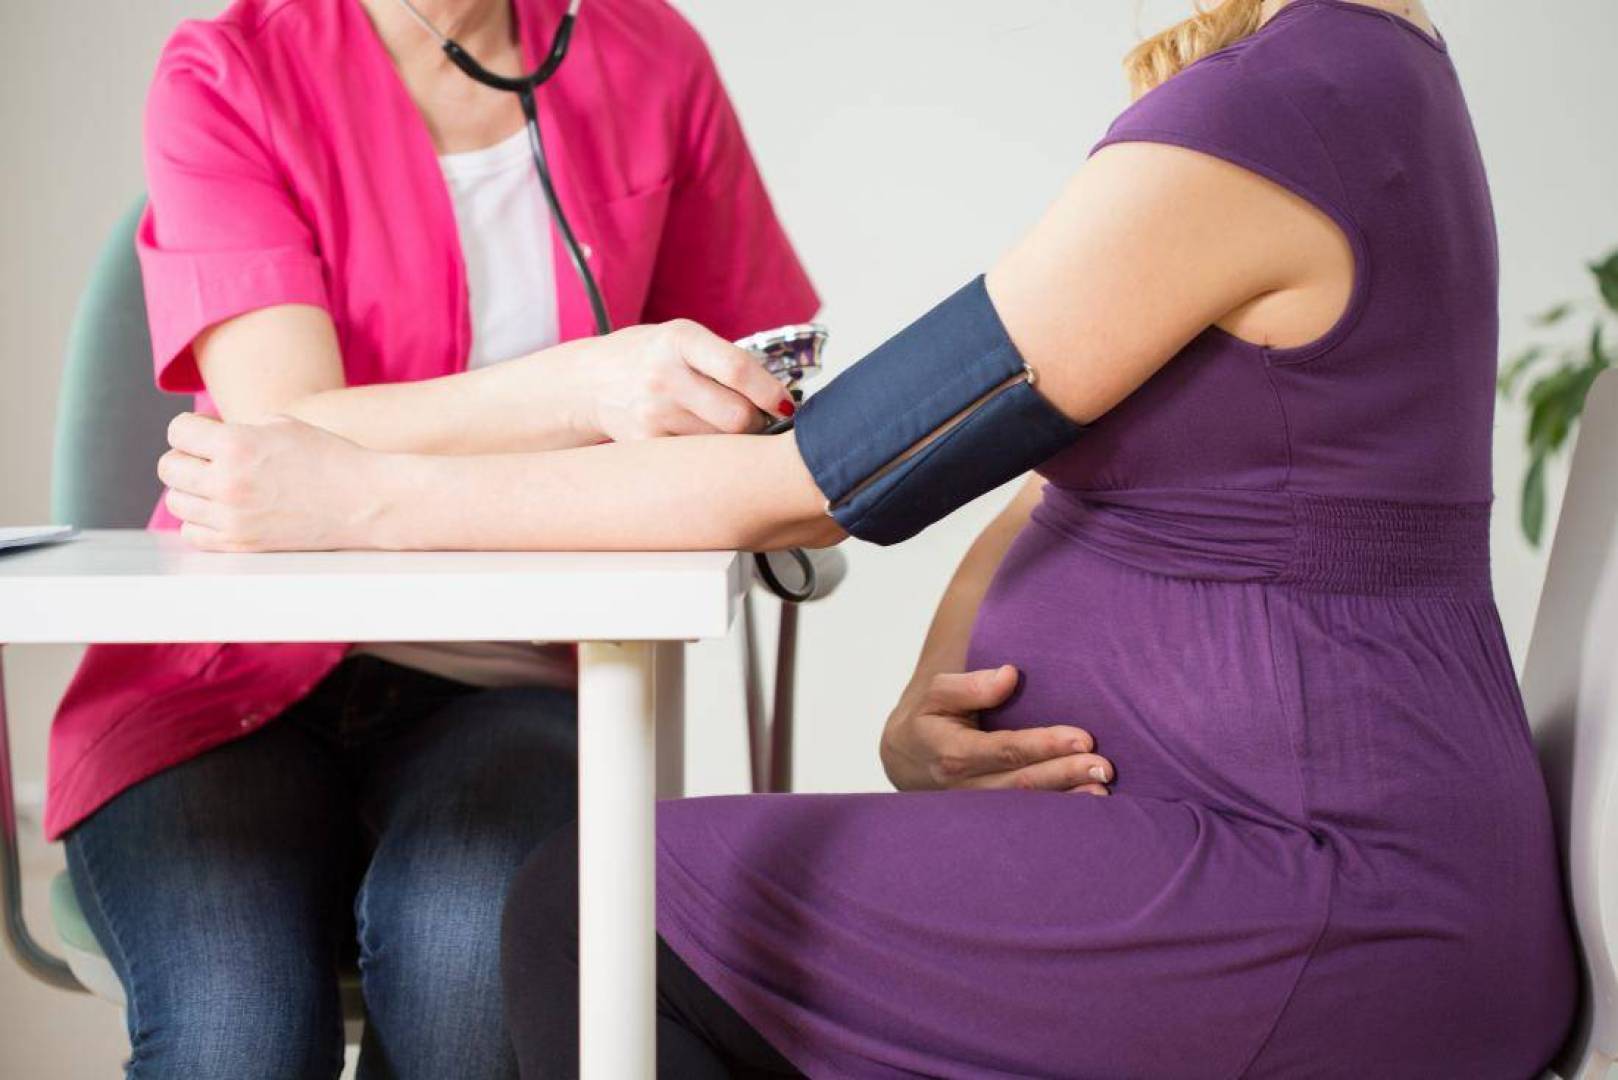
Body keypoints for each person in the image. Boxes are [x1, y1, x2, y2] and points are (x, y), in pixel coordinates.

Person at [157, 0, 1580, 1076]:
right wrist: (923, 699)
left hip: (1320, 885)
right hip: (1310, 857)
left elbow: (824, 473)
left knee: (591, 914)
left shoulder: (1273, 111)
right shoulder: (1335, 79)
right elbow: (1043, 463)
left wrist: (372, 501)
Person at [48, 0, 849, 1076]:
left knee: (469, 960)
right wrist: (588, 386)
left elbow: (756, 399)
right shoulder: (230, 68)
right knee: (233, 1024)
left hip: (510, 687)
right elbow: (283, 422)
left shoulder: (648, 54)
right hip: (217, 690)